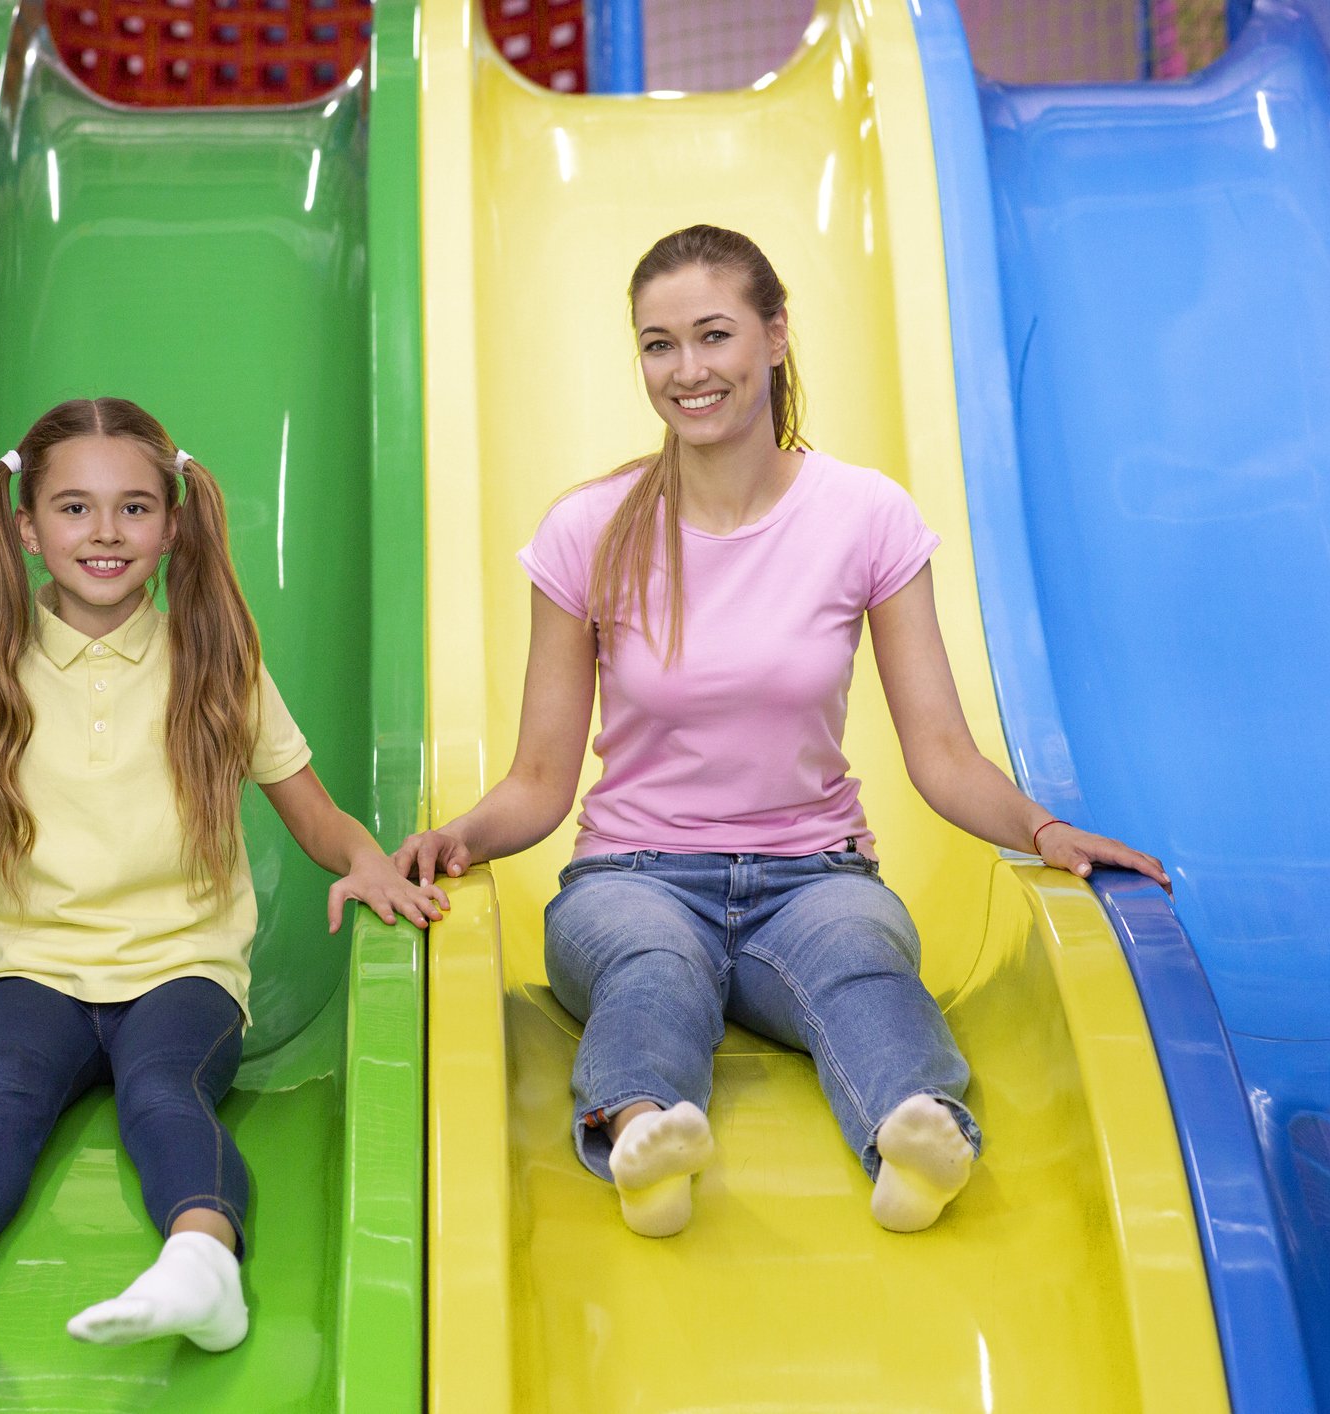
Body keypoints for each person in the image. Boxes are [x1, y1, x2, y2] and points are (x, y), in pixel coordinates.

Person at [395, 225, 1168, 1240]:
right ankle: (643, 1138)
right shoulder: (591, 527)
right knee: (650, 967)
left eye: (712, 335)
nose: (687, 370)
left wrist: (1042, 829)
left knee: (860, 962)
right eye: (658, 345)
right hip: (634, 872)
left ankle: (912, 1134)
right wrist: (461, 835)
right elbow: (541, 776)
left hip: (815, 875)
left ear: (774, 335)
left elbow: (939, 750)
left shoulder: (865, 516)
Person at [0, 396, 444, 1355]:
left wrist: (366, 861)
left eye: (134, 509)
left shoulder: (214, 661)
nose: (104, 532)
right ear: (27, 529)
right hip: (32, 970)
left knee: (164, 1090)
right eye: (73, 509)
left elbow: (312, 813)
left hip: (182, 968)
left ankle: (203, 1268)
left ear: (173, 523)